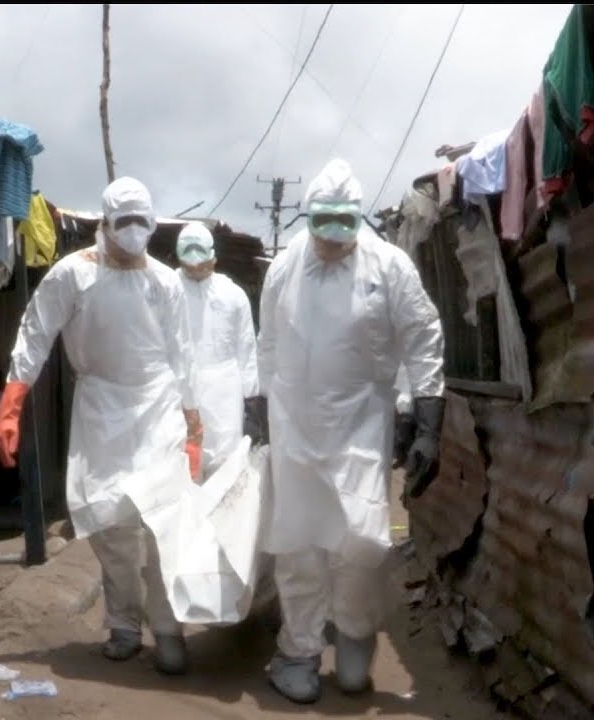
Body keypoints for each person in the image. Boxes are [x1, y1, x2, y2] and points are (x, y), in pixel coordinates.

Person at [0, 177, 203, 676]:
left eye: (142, 223)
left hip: (158, 408)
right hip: (102, 407)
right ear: (104, 224)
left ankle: (169, 629)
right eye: (123, 223)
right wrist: (11, 403)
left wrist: (193, 428)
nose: (133, 233)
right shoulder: (74, 275)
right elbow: (35, 332)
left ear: (153, 226)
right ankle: (125, 626)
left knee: (162, 525)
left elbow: (183, 356)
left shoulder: (165, 281)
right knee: (110, 525)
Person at [256, 158, 446, 704]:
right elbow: (268, 342)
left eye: (345, 224)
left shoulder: (389, 267)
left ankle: (356, 631)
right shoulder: (284, 267)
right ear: (308, 218)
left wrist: (427, 420)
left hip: (362, 423)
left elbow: (424, 338)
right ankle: (297, 649)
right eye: (323, 224)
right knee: (298, 547)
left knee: (360, 542)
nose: (333, 237)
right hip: (293, 425)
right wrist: (261, 405)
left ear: (358, 220)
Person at [175, 221, 260, 477]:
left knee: (225, 458)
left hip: (225, 388)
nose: (195, 269)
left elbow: (246, 345)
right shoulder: (168, 288)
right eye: (189, 264)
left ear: (213, 258)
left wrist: (251, 396)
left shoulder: (232, 294)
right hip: (181, 385)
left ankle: (221, 514)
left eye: (201, 263)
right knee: (183, 457)